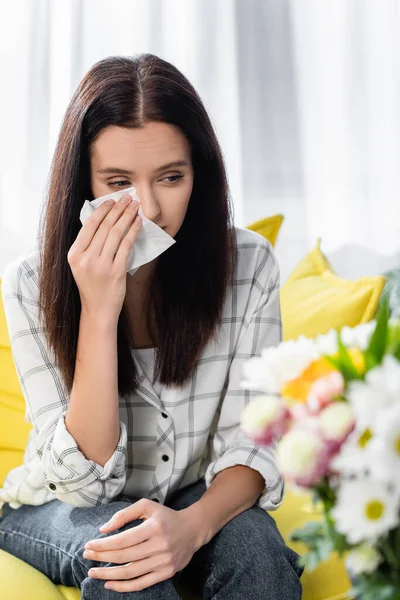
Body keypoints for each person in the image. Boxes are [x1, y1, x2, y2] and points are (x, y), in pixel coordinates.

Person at [0, 54, 303, 599]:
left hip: (190, 492)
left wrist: (191, 528)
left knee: (256, 549)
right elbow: (83, 484)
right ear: (83, 183)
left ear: (198, 176)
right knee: (127, 557)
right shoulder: (30, 283)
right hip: (58, 503)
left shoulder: (250, 266)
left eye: (171, 177)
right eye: (118, 181)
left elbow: (253, 442)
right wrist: (98, 310)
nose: (152, 210)